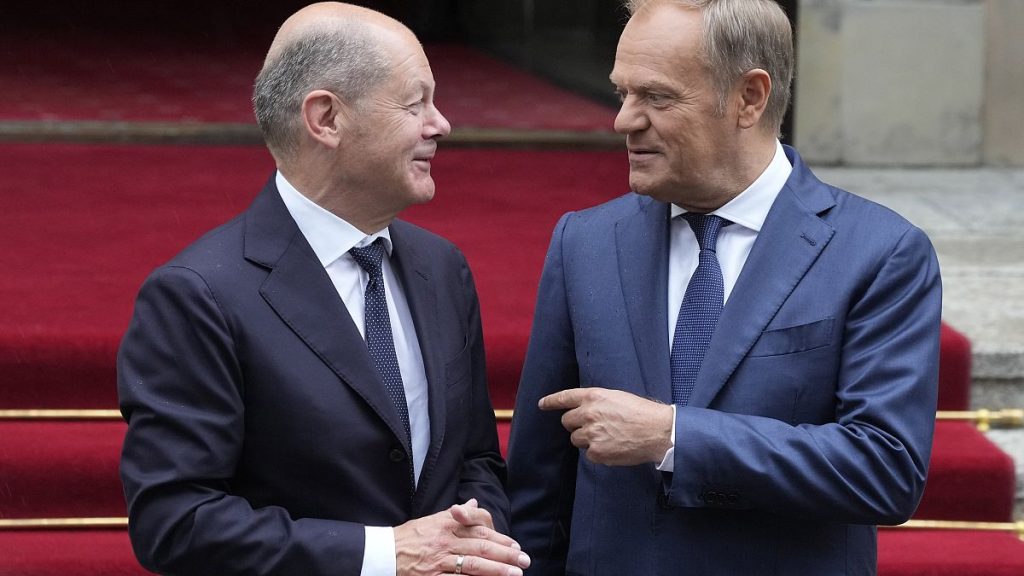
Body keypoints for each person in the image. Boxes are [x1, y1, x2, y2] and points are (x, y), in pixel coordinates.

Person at [506, 0, 941, 574]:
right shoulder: (585, 242)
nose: (624, 120)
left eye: (656, 97)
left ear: (749, 98)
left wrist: (674, 436)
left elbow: (884, 470)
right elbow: (539, 486)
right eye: (622, 93)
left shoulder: (879, 251)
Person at [118, 4, 530, 576]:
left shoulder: (441, 268)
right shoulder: (198, 295)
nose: (440, 125)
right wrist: (386, 556)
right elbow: (176, 521)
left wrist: (475, 547)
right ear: (326, 118)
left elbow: (475, 458)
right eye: (414, 104)